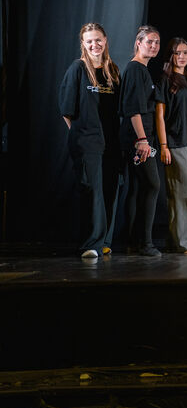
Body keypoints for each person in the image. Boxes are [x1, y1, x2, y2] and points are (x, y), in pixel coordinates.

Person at [59, 23, 121, 258]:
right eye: (89, 41)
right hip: (87, 142)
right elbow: (66, 110)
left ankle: (104, 241)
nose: (95, 44)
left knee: (109, 190)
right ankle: (90, 244)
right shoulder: (78, 68)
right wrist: (81, 135)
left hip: (111, 141)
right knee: (92, 191)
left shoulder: (112, 70)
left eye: (98, 40)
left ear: (105, 40)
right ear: (83, 44)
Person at [156, 38, 187, 254]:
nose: (182, 57)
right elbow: (159, 115)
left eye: (185, 52)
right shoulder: (165, 80)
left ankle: (174, 241)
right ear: (171, 56)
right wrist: (163, 145)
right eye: (177, 53)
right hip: (176, 142)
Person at [119, 25, 162, 256]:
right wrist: (142, 140)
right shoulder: (135, 69)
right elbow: (133, 109)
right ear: (138, 43)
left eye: (156, 42)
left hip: (143, 138)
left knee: (136, 188)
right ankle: (145, 243)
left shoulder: (142, 70)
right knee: (152, 185)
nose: (153, 46)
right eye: (149, 42)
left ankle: (132, 242)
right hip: (138, 139)